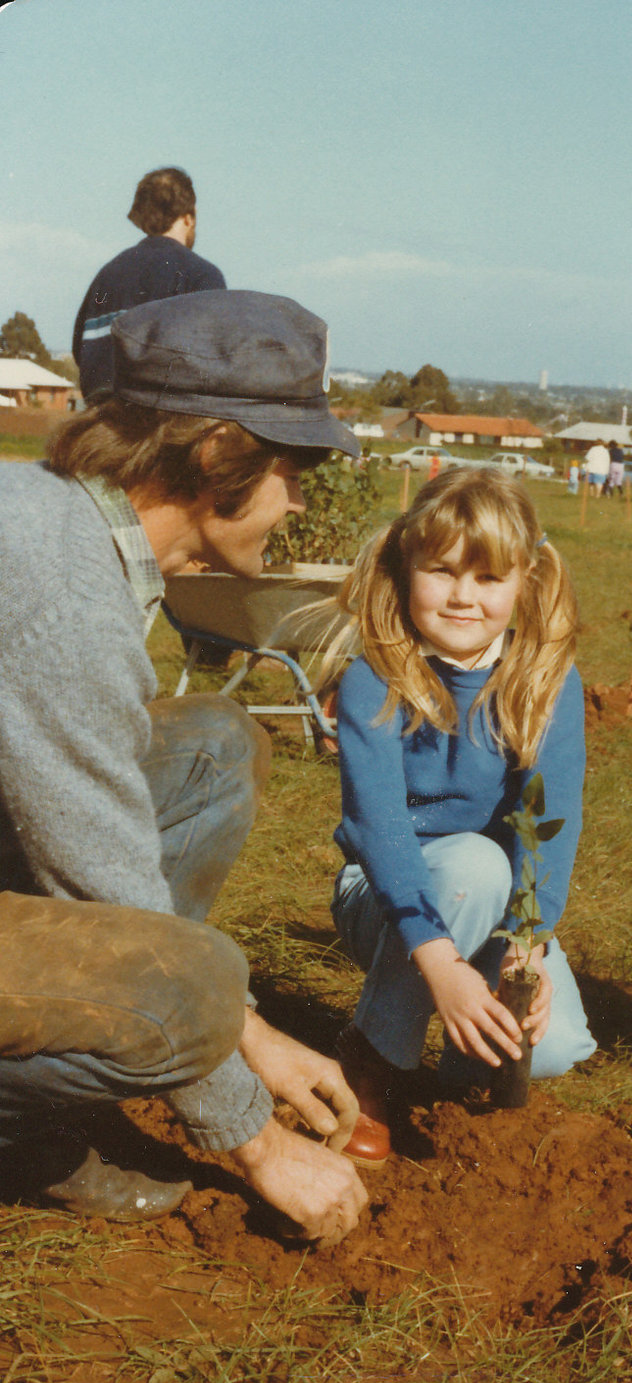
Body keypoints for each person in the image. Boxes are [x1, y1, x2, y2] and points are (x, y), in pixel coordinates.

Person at [0, 288, 369, 1241]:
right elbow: (104, 889)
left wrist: (257, 1038)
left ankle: (131, 1053)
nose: (295, 499)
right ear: (218, 456)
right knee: (191, 982)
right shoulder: (68, 599)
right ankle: (21, 1130)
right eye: (293, 469)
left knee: (214, 744)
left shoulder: (58, 520)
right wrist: (257, 1138)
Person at [313, 468, 597, 1165]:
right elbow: (378, 831)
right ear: (406, 569)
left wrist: (527, 949)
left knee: (555, 1046)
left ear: (525, 580)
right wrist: (441, 965)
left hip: (500, 901)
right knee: (470, 863)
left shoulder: (545, 681)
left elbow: (548, 824)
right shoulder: (374, 678)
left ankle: (449, 1059)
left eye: (489, 578)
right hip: (385, 897)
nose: (464, 596)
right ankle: (370, 1060)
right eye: (442, 572)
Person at [72, 167, 226, 401]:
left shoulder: (106, 276)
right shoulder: (202, 275)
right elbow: (215, 363)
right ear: (189, 216)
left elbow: (80, 351)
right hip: (163, 428)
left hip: (102, 423)